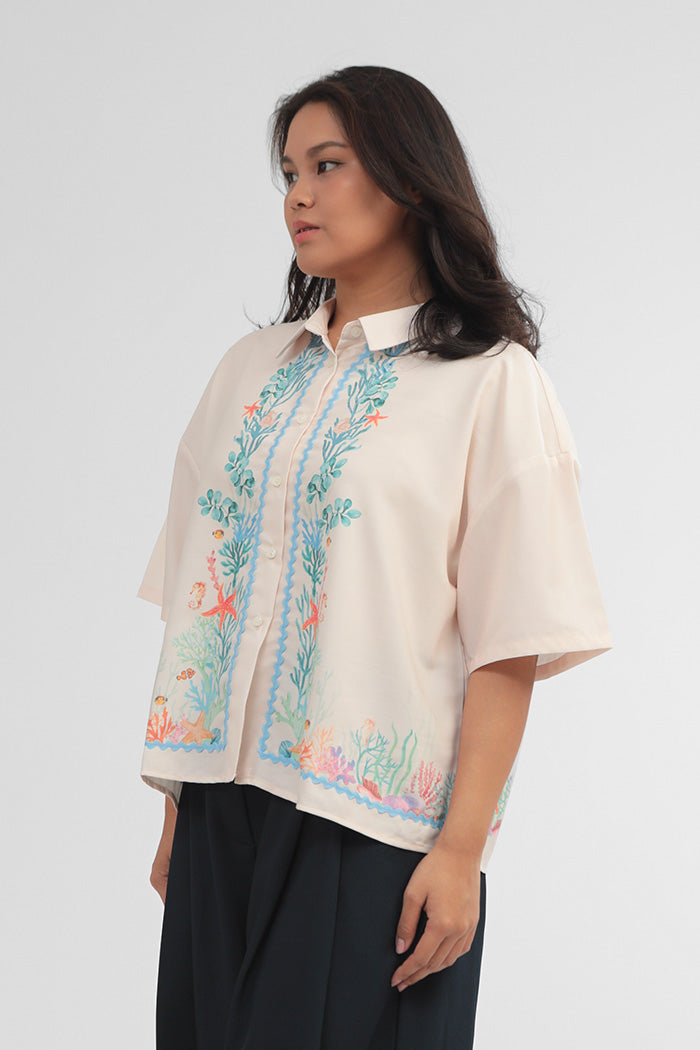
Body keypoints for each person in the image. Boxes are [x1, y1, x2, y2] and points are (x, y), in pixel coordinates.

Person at [137, 65, 613, 1049]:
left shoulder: (490, 383)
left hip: (370, 831)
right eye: (288, 172)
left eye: (328, 165)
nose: (298, 195)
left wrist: (460, 852)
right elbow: (197, 598)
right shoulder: (248, 372)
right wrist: (180, 807)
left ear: (406, 177)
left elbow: (510, 638)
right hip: (221, 812)